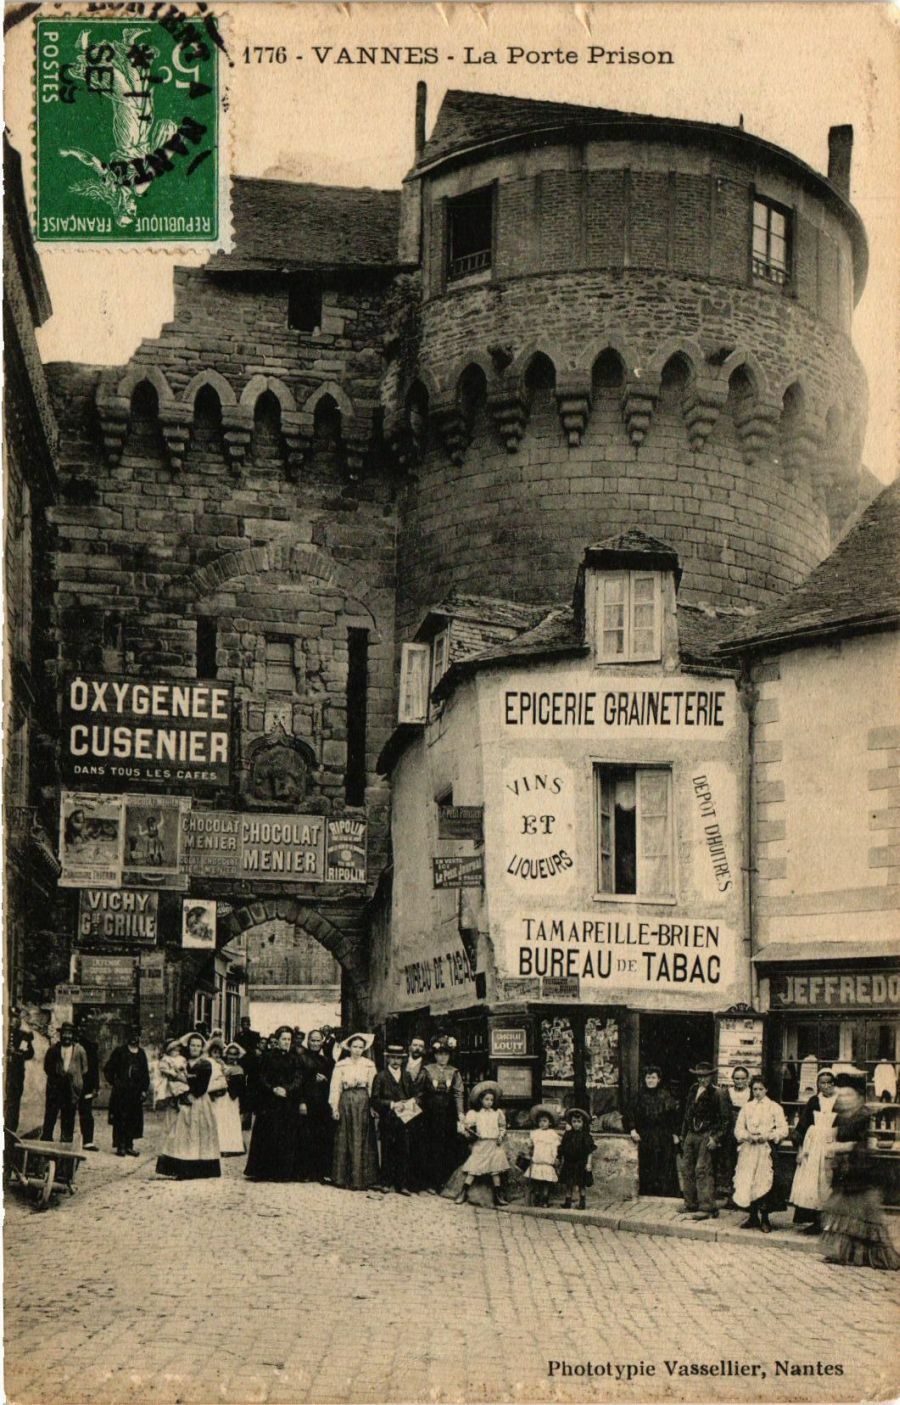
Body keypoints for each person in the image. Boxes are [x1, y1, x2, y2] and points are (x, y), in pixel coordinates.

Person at [820, 1070, 900, 1271]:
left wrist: (842, 1147)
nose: (844, 1099)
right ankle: (846, 1253)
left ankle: (876, 1257)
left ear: (858, 1097)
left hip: (863, 1173)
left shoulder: (864, 1116)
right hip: (845, 1173)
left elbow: (866, 1145)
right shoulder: (841, 1117)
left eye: (848, 1095)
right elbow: (832, 1137)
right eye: (841, 1095)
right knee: (842, 1213)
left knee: (865, 1218)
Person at [155, 1032, 221, 1180]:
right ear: (188, 1046)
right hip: (184, 1099)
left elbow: (201, 1085)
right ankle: (183, 1168)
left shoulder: (205, 1064)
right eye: (192, 1045)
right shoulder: (182, 1062)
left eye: (198, 1046)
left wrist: (188, 1090)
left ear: (202, 1048)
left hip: (198, 1100)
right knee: (181, 1134)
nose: (195, 1048)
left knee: (199, 1133)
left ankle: (199, 1169)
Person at [244, 1026, 302, 1181]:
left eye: (289, 1039)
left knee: (286, 1136)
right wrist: (273, 1089)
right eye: (284, 1039)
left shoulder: (295, 1058)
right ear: (277, 1040)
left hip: (287, 1101)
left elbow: (298, 1078)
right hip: (269, 1102)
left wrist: (287, 1089)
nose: (286, 1042)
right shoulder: (267, 1056)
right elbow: (261, 1076)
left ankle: (283, 1172)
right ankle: (264, 1171)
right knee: (268, 1134)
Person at [733, 1074, 788, 1232]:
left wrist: (768, 1136)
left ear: (766, 1089)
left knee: (764, 1181)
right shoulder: (747, 1107)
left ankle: (765, 1219)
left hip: (765, 1149)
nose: (757, 1092)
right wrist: (747, 1136)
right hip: (749, 1149)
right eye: (754, 1089)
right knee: (748, 1180)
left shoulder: (774, 1107)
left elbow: (783, 1129)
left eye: (760, 1089)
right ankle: (752, 1216)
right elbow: (738, 1129)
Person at [677, 1060, 730, 1221]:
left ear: (711, 1077)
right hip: (691, 1134)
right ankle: (690, 1203)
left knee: (702, 1169)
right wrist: (683, 1135)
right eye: (699, 1076)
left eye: (705, 1076)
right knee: (687, 1168)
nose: (702, 1079)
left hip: (707, 1134)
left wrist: (716, 1138)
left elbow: (725, 1120)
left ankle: (707, 1207)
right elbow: (687, 1113)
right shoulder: (693, 1090)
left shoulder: (719, 1093)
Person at [789, 1067, 838, 1233]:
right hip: (813, 1147)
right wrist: (800, 1150)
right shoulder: (813, 1101)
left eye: (829, 1083)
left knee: (827, 1183)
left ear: (834, 1084)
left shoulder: (839, 1102)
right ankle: (816, 1221)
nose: (826, 1086)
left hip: (831, 1144)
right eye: (822, 1083)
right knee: (811, 1184)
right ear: (818, 1084)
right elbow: (802, 1126)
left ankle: (830, 1223)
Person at [329, 1032, 378, 1190]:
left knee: (362, 1136)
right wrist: (334, 1107)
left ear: (364, 1049)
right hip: (346, 1101)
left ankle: (362, 1179)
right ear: (349, 1048)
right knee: (345, 1135)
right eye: (354, 1047)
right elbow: (335, 1087)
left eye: (360, 1047)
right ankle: (342, 1178)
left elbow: (373, 1087)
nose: (357, 1050)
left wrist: (373, 1106)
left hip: (363, 1101)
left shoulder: (369, 1065)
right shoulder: (341, 1064)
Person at [624, 1066, 680, 1197]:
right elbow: (629, 1114)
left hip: (663, 1136)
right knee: (647, 1165)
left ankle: (664, 1195)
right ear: (644, 1079)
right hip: (646, 1135)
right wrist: (632, 1130)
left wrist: (675, 1134)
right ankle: (648, 1194)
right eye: (648, 1077)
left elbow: (673, 1116)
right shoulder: (638, 1096)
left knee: (664, 1165)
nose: (650, 1080)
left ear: (658, 1080)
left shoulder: (665, 1095)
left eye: (653, 1077)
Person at [421, 1036, 465, 1193]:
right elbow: (420, 1091)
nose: (442, 1058)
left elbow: (458, 1093)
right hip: (430, 1113)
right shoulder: (427, 1070)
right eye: (439, 1054)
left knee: (446, 1146)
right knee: (430, 1145)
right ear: (435, 1055)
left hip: (447, 1113)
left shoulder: (454, 1072)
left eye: (446, 1054)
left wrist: (460, 1113)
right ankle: (430, 1182)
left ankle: (443, 1182)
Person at [371, 1044, 417, 1195]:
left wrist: (409, 1103)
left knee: (404, 1150)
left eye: (399, 1058)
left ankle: (402, 1184)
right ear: (388, 1059)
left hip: (405, 1119)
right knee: (387, 1150)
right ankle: (385, 1182)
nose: (396, 1061)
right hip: (388, 1119)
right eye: (393, 1058)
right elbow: (375, 1099)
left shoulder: (407, 1076)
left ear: (403, 1060)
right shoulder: (381, 1076)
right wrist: (391, 1104)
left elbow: (414, 1095)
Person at [455, 1082, 510, 1208]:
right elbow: (466, 1128)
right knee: (473, 1170)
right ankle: (463, 1193)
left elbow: (502, 1127)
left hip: (494, 1145)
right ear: (481, 1100)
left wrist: (500, 1136)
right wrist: (468, 1131)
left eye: (491, 1100)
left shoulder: (497, 1113)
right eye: (486, 1099)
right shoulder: (475, 1114)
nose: (489, 1102)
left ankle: (498, 1196)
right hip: (481, 1145)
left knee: (495, 1171)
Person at [104, 1030, 151, 1157]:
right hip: (121, 1093)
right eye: (131, 1035)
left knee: (133, 1118)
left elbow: (145, 1073)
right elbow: (108, 1069)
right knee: (120, 1118)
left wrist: (143, 1090)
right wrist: (115, 1082)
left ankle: (129, 1145)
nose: (134, 1038)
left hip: (135, 1093)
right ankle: (121, 1145)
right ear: (127, 1037)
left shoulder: (141, 1053)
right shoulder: (120, 1051)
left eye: (136, 1036)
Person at [297, 1028, 335, 1182]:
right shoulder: (301, 1059)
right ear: (308, 1041)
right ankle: (305, 1172)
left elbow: (334, 1083)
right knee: (306, 1136)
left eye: (318, 1040)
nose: (315, 1043)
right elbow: (299, 1082)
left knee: (322, 1137)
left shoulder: (328, 1061)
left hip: (323, 1104)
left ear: (322, 1042)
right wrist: (302, 1102)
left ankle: (320, 1172)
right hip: (308, 1102)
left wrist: (325, 1080)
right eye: (312, 1040)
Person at [41, 1023, 90, 1143]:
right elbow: (47, 1067)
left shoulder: (80, 1050)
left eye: (69, 1033)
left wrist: (73, 1076)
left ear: (73, 1035)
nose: (67, 1036)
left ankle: (66, 1141)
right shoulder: (53, 1050)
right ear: (61, 1035)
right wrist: (56, 1077)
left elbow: (84, 1069)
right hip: (55, 1086)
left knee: (69, 1114)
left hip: (71, 1088)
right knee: (51, 1113)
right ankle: (46, 1139)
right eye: (64, 1033)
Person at [719, 1065, 751, 1203]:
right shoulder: (727, 1093)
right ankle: (730, 1197)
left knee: (744, 1163)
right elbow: (723, 1113)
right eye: (737, 1078)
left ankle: (743, 1198)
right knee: (729, 1162)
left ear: (747, 1079)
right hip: (730, 1131)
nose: (739, 1081)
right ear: (732, 1079)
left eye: (742, 1079)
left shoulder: (751, 1093)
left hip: (746, 1130)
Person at [403, 1035, 429, 1189]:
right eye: (415, 1045)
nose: (417, 1048)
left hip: (419, 1110)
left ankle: (416, 1183)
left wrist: (416, 1102)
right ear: (410, 1047)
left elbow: (428, 1090)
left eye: (420, 1046)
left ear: (424, 1049)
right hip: (401, 1108)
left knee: (418, 1146)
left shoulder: (427, 1067)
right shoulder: (402, 1063)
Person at [523, 1105, 560, 1207]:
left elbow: (555, 1148)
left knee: (546, 1182)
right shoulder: (535, 1133)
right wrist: (529, 1146)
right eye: (540, 1121)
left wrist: (555, 1158)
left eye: (545, 1121)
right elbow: (531, 1145)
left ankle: (545, 1199)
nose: (542, 1123)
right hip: (537, 1161)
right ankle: (537, 1198)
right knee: (536, 1181)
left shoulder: (552, 1134)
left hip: (547, 1162)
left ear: (550, 1122)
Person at [559, 1107, 595, 1210]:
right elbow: (562, 1148)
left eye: (579, 1122)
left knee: (581, 1183)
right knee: (568, 1183)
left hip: (581, 1163)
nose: (576, 1124)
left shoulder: (585, 1136)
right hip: (569, 1163)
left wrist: (589, 1163)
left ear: (583, 1123)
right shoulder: (568, 1135)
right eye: (574, 1121)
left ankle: (582, 1202)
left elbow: (589, 1151)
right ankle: (568, 1201)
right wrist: (560, 1158)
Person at [5, 1008, 34, 1133]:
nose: (13, 1021)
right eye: (11, 1017)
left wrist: (16, 1053)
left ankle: (11, 1128)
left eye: (16, 1018)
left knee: (14, 1100)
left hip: (16, 1074)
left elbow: (30, 1053)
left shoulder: (24, 1036)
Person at [154, 1037, 190, 1134]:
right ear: (169, 1051)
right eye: (173, 1051)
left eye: (177, 1050)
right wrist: (171, 1072)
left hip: (180, 1077)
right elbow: (163, 1069)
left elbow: (185, 1067)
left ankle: (181, 1099)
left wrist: (183, 1069)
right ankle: (175, 1101)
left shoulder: (181, 1059)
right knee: (174, 1090)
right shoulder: (166, 1059)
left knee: (183, 1088)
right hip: (171, 1079)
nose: (176, 1053)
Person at [217, 1044, 248, 1155]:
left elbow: (241, 1087)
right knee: (221, 1120)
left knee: (231, 1120)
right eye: (230, 1054)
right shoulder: (221, 1066)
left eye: (234, 1054)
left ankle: (232, 1147)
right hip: (221, 1097)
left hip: (232, 1098)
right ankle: (220, 1146)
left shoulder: (238, 1069)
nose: (232, 1057)